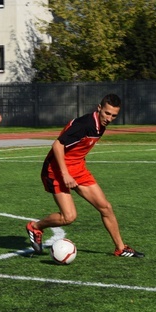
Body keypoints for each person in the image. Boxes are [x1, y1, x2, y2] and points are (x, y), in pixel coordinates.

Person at [25, 93, 146, 259]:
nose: (109, 118)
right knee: (69, 217)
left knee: (106, 207)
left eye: (114, 115)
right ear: (99, 109)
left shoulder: (100, 125)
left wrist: (75, 168)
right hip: (56, 170)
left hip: (78, 168)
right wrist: (66, 174)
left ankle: (120, 248)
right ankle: (36, 227)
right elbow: (57, 146)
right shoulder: (84, 124)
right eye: (107, 113)